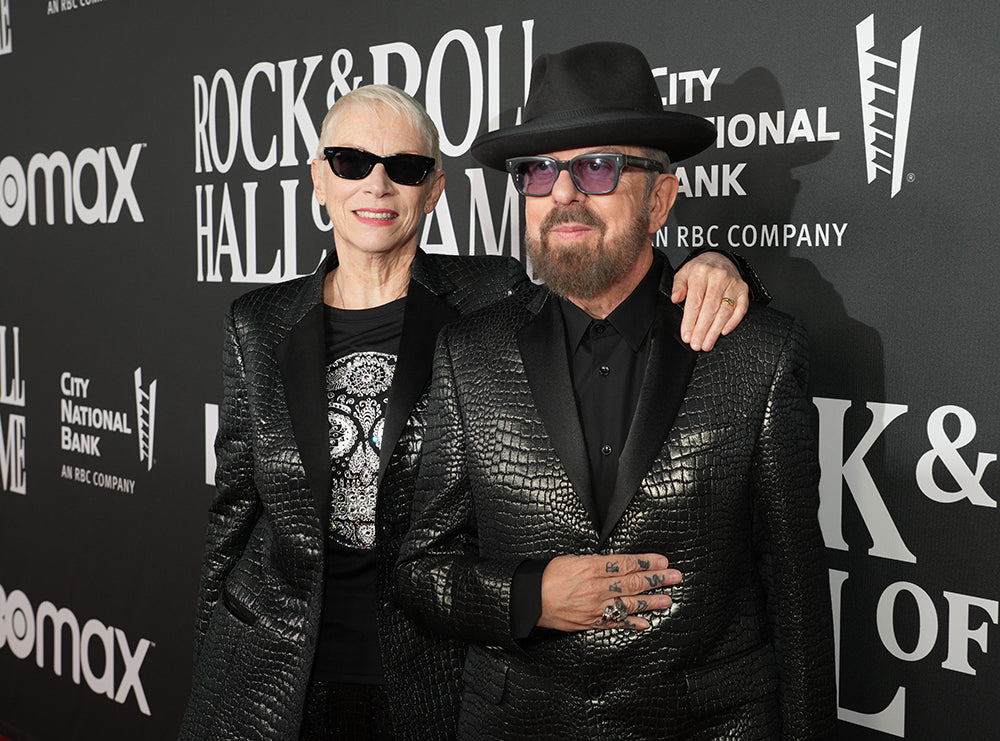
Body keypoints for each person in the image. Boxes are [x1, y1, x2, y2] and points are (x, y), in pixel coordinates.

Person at [179, 82, 761, 741]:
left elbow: (609, 291)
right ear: (319, 179)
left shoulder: (495, 297)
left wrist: (722, 267)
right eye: (350, 162)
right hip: (271, 669)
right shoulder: (256, 324)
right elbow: (231, 518)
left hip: (432, 671)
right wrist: (209, 663)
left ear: (434, 188)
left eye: (405, 167)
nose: (377, 185)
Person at [396, 42, 836, 740]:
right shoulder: (469, 353)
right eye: (537, 172)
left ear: (660, 198)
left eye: (596, 168)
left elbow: (797, 594)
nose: (563, 194)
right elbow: (422, 570)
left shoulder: (758, 352)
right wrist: (528, 595)